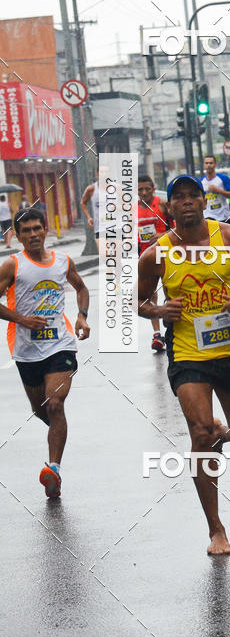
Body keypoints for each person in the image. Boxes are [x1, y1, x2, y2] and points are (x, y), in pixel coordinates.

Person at [137, 175, 230, 555]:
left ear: (203, 200)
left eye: (192, 195)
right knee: (200, 434)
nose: (186, 202)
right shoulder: (156, 254)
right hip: (187, 353)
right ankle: (216, 529)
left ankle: (223, 433)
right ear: (169, 206)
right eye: (178, 197)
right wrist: (160, 310)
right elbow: (139, 301)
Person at [0, 208, 90, 498]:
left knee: (55, 404)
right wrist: (21, 319)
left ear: (46, 229)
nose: (33, 234)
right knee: (40, 410)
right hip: (26, 350)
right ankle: (58, 430)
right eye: (26, 230)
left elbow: (81, 288)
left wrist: (82, 316)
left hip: (60, 344)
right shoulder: (12, 265)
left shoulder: (62, 261)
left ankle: (54, 469)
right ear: (17, 236)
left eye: (37, 228)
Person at [137, 174, 170, 352]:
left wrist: (162, 235)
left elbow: (178, 228)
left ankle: (172, 321)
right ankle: (157, 335)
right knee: (149, 295)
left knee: (168, 288)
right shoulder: (132, 210)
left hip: (166, 254)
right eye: (140, 190)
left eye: (147, 189)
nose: (144, 193)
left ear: (153, 189)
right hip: (146, 257)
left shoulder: (163, 204)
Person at [200, 155, 230, 224]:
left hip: (223, 217)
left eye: (211, 163)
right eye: (206, 163)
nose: (209, 165)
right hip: (208, 218)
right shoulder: (201, 181)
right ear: (204, 165)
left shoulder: (223, 178)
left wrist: (218, 190)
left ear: (215, 164)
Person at [81, 171, 100, 251]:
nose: (104, 174)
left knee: (116, 254)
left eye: (106, 172)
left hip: (115, 226)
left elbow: (125, 205)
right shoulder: (91, 189)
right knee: (104, 254)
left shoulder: (116, 188)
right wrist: (88, 217)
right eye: (102, 172)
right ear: (97, 174)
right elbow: (83, 203)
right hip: (100, 227)